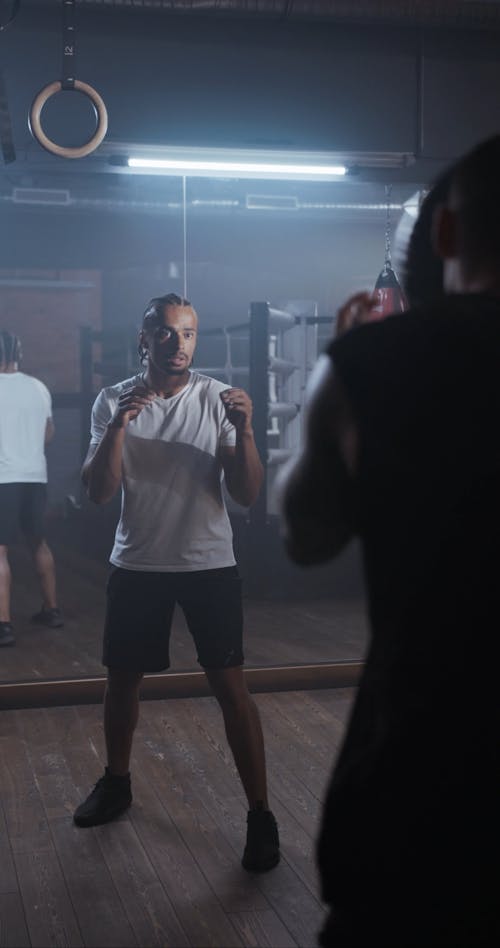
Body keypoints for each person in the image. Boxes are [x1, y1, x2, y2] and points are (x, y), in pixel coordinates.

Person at [278, 135, 500, 946]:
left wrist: (335, 376)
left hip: (419, 792)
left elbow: (306, 535)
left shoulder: (374, 362)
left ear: (440, 238)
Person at [73, 292, 280, 873]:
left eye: (187, 334)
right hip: (137, 562)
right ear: (144, 338)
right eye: (166, 333)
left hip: (208, 563)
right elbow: (98, 492)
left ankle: (260, 814)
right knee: (122, 682)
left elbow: (245, 494)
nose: (178, 344)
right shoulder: (112, 399)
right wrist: (118, 425)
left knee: (232, 688)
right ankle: (117, 782)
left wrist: (247, 432)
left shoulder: (219, 399)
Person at [0, 329, 63, 647]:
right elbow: (48, 432)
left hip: (3, 478)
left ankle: (3, 625)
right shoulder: (37, 387)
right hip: (34, 476)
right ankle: (51, 610)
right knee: (39, 543)